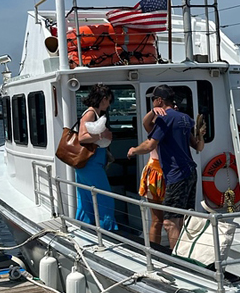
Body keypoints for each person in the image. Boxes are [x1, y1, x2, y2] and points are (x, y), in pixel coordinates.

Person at [127, 85, 204, 248]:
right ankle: (184, 254)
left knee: (169, 222)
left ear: (159, 100)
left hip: (177, 175)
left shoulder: (165, 119)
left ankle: (176, 260)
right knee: (182, 219)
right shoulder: (184, 118)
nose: (153, 102)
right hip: (191, 173)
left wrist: (134, 150)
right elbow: (198, 147)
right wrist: (201, 136)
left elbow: (150, 145)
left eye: (154, 100)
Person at [75, 84, 118, 231]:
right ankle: (108, 231)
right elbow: (82, 137)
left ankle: (85, 228)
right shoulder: (91, 113)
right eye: (109, 100)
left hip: (88, 163)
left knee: (86, 199)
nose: (109, 104)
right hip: (91, 164)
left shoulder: (93, 112)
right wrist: (102, 135)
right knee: (105, 199)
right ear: (104, 99)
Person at [137, 100, 168, 245]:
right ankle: (154, 251)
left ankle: (173, 252)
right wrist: (153, 111)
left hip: (170, 175)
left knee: (171, 220)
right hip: (155, 175)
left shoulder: (173, 128)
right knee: (157, 219)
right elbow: (145, 122)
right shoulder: (154, 130)